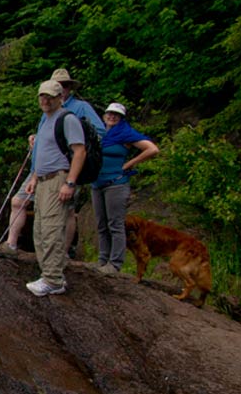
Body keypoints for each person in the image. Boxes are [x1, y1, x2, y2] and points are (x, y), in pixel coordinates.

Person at [24, 80, 86, 296]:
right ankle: (48, 274)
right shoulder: (45, 119)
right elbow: (43, 152)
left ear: (61, 97)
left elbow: (79, 151)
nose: (45, 100)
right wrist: (33, 177)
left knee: (51, 229)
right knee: (39, 229)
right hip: (42, 180)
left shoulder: (67, 119)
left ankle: (53, 280)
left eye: (50, 96)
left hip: (58, 180)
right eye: (42, 96)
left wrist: (70, 182)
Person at [41, 68, 105, 256]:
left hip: (69, 168)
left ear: (68, 88)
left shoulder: (79, 108)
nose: (61, 88)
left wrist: (75, 136)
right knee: (45, 213)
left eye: (64, 85)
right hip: (47, 169)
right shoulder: (48, 109)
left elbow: (99, 133)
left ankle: (63, 253)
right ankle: (50, 254)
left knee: (66, 211)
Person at [91, 102, 159, 274]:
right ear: (104, 115)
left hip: (116, 183)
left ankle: (115, 264)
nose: (112, 117)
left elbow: (152, 149)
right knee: (101, 224)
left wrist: (129, 164)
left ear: (121, 118)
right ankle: (102, 260)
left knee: (115, 224)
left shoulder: (125, 133)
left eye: (116, 115)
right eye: (109, 114)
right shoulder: (98, 132)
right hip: (97, 182)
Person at [0, 134, 36, 258]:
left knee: (59, 210)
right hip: (37, 168)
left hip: (55, 168)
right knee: (17, 201)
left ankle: (60, 253)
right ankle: (11, 245)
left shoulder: (73, 116)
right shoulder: (46, 118)